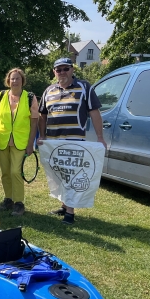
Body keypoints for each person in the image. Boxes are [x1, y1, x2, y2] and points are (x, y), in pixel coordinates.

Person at [38, 58, 106, 225]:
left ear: (72, 69)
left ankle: (70, 213)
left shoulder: (84, 87)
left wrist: (99, 137)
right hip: (54, 142)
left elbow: (95, 113)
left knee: (72, 176)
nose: (62, 72)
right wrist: (42, 135)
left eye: (65, 69)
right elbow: (42, 116)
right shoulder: (49, 91)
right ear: (54, 72)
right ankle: (64, 205)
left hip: (74, 143)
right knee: (59, 175)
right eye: (58, 70)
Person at [0, 68, 39, 216]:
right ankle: (8, 199)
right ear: (8, 80)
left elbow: (34, 122)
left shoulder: (30, 97)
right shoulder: (1, 96)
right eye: (12, 78)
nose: (15, 81)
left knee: (15, 172)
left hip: (21, 141)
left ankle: (19, 203)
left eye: (18, 78)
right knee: (5, 172)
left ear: (22, 80)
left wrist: (31, 143)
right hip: (3, 139)